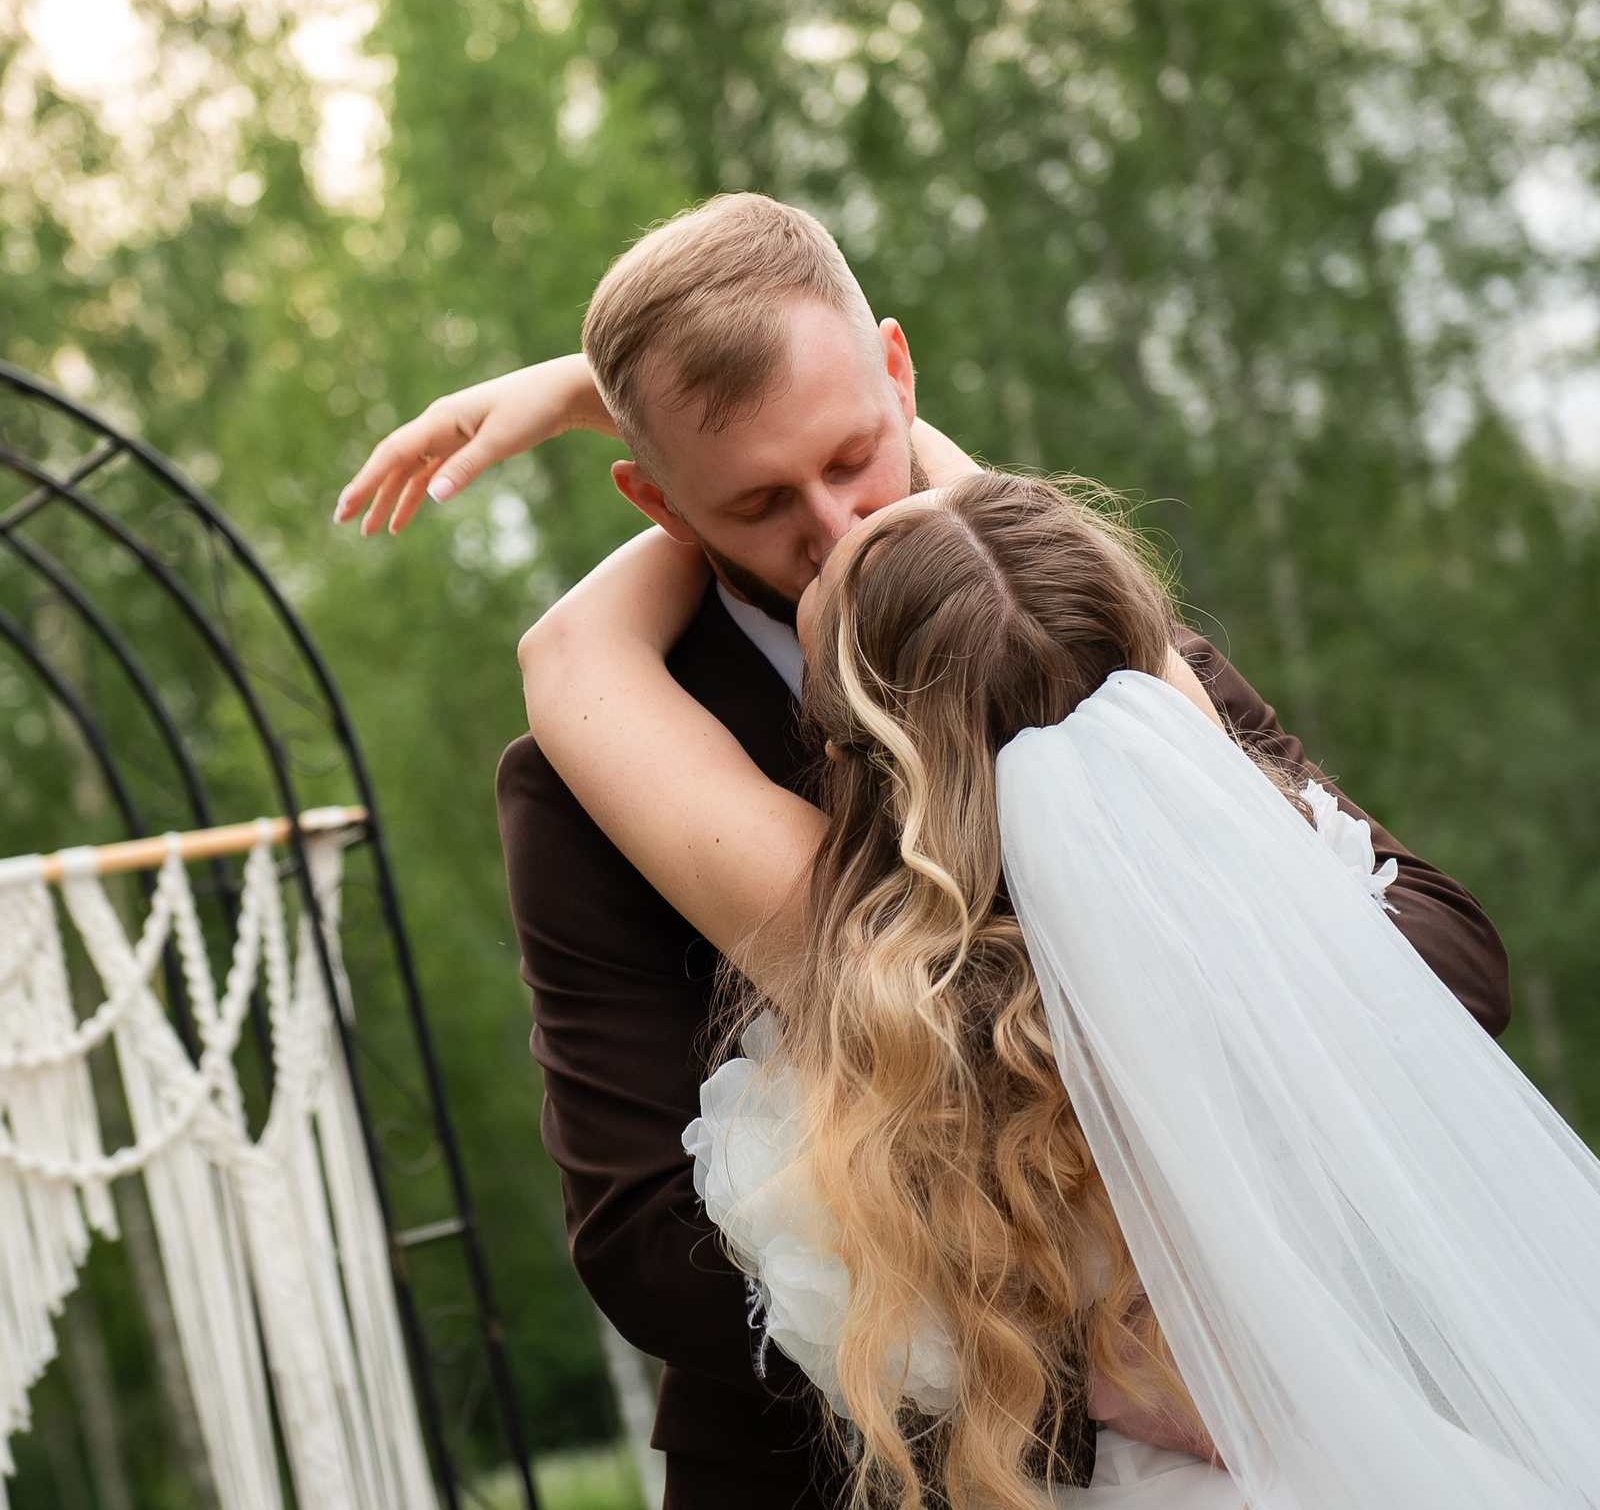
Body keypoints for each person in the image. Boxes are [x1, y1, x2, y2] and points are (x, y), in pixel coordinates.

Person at [335, 194, 1510, 1505]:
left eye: (855, 456)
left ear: (899, 374)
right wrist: (1077, 1364)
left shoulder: (1063, 622)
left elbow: (1448, 956)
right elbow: (643, 1243)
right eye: (763, 499)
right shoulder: (583, 784)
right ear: (653, 499)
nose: (839, 530)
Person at [515, 469, 1600, 1510]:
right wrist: (877, 425)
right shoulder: (1291, 901)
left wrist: (665, 452)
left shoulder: (881, 1008)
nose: (839, 511)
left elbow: (572, 657)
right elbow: (1030, 604)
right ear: (1157, 670)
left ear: (857, 761)